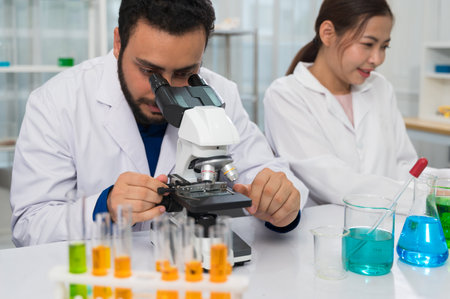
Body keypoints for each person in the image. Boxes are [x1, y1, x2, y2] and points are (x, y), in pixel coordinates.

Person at [10, 0, 308, 247]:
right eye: (149, 71)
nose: (162, 91)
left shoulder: (220, 93)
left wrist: (280, 205)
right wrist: (106, 207)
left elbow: (264, 174)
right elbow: (29, 226)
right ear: (118, 42)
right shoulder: (58, 101)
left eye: (184, 73)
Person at [263, 0, 448, 213]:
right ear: (328, 33)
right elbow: (335, 183)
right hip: (325, 230)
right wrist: (425, 199)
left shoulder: (380, 88)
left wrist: (442, 182)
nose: (377, 58)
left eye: (384, 47)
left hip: (387, 228)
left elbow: (405, 169)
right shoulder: (286, 95)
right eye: (368, 44)